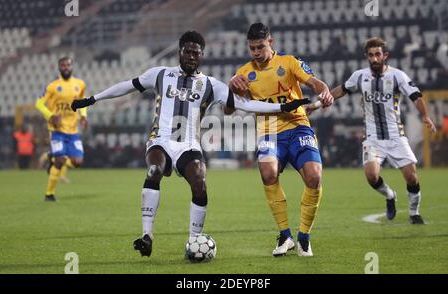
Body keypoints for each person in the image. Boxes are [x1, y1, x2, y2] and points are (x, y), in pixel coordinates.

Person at [70, 31, 310, 258]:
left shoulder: (210, 84)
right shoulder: (160, 74)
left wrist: (281, 107)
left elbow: (244, 104)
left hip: (189, 145)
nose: (191, 56)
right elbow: (126, 86)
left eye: (196, 53)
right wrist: (94, 99)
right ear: (179, 52)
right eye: (187, 52)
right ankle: (147, 235)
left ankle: (194, 241)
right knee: (154, 170)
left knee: (200, 183)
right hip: (160, 141)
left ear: (201, 55)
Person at [228, 23, 334, 257]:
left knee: (314, 177)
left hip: (298, 128)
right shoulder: (244, 73)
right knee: (268, 173)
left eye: (260, 47)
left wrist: (324, 93)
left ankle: (304, 238)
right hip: (268, 132)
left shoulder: (289, 62)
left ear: (271, 42)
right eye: (252, 48)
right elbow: (228, 111)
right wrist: (232, 91)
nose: (256, 52)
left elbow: (316, 84)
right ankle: (285, 236)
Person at [307, 37, 437, 224]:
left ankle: (414, 212)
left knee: (411, 177)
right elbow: (340, 91)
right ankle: (390, 195)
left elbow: (415, 96)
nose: (374, 59)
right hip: (373, 137)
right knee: (371, 175)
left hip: (396, 136)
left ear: (385, 55)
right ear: (366, 57)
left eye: (377, 54)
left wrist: (425, 116)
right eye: (370, 55)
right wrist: (316, 105)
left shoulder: (397, 76)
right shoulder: (360, 76)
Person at [35, 57, 88, 202]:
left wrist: (83, 116)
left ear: (72, 67)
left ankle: (51, 157)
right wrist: (51, 115)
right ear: (59, 68)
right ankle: (49, 194)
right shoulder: (52, 86)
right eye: (63, 65)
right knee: (60, 160)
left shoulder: (80, 84)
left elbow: (82, 103)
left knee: (77, 162)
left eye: (68, 65)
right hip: (57, 130)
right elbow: (39, 103)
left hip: (73, 131)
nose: (66, 67)